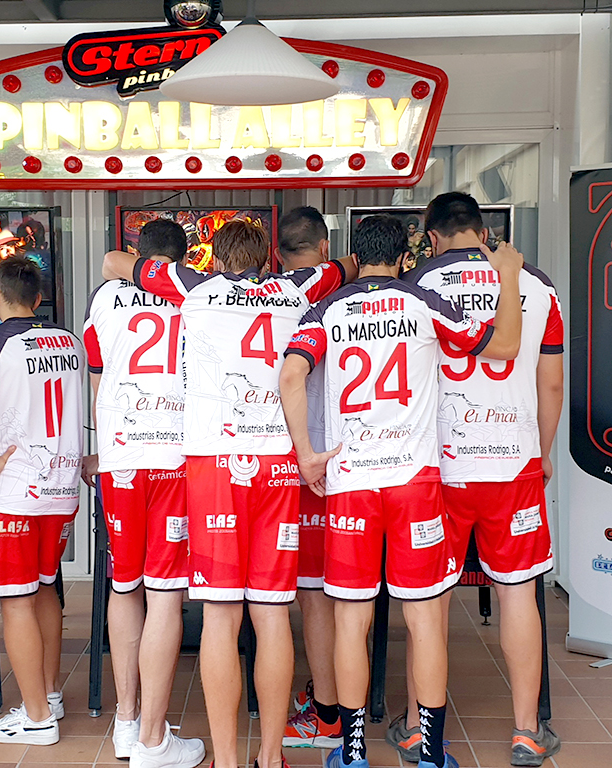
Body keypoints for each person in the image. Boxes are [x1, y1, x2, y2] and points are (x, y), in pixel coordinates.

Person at [104, 220, 354, 768]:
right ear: (266, 260)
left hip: (214, 467)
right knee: (271, 614)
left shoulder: (194, 288)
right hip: (279, 467)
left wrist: (187, 272)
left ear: (214, 259)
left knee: (220, 615)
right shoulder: (298, 287)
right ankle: (269, 757)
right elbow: (344, 269)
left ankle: (226, 759)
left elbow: (113, 264)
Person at [279, 214, 524, 768]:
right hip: (414, 483)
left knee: (352, 620)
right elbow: (504, 346)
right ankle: (433, 754)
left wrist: (305, 454)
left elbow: (291, 376)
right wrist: (507, 276)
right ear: (404, 258)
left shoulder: (327, 309)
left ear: (354, 256)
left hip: (350, 486)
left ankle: (354, 752)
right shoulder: (422, 303)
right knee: (424, 617)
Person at [393, 192, 562, 767]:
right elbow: (552, 384)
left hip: (438, 464)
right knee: (517, 594)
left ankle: (418, 726)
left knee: (428, 599)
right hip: (512, 460)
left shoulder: (416, 287)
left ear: (432, 235)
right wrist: (540, 453)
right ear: (484, 231)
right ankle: (525, 732)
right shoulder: (537, 286)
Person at [81, 219, 205, 767]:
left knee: (124, 586)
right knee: (165, 595)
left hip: (122, 458)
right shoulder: (196, 292)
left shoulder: (107, 296)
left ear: (138, 254)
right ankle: (156, 737)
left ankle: (127, 723)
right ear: (182, 258)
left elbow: (96, 366)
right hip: (176, 459)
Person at [0, 257, 84, 746]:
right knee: (46, 588)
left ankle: (36, 718)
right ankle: (46, 695)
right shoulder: (68, 340)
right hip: (60, 487)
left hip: (15, 495)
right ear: (38, 297)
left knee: (15, 600)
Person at [272, 208, 342, 751]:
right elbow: (347, 265)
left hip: (289, 462)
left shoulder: (262, 294)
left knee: (313, 594)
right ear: (321, 248)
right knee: (325, 591)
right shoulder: (325, 281)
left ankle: (328, 710)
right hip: (330, 457)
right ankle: (326, 703)